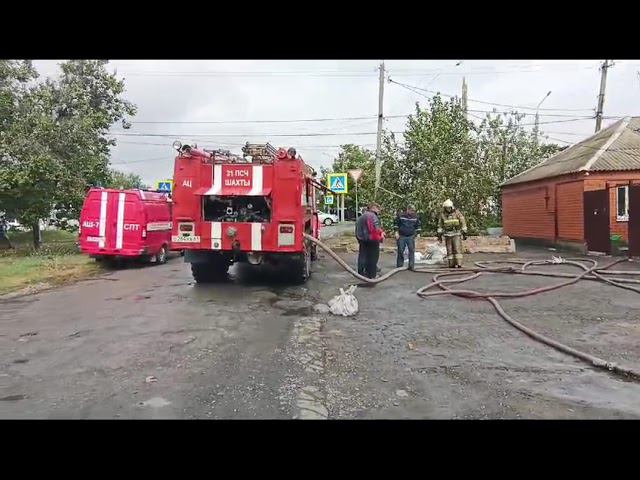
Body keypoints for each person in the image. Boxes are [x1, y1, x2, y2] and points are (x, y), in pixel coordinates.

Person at [355, 202, 385, 279]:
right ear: (374, 208)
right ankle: (371, 275)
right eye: (378, 209)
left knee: (363, 256)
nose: (379, 211)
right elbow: (374, 230)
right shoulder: (372, 216)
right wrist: (380, 237)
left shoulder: (361, 217)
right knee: (372, 258)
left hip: (362, 240)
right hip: (372, 240)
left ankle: (361, 274)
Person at [437, 199, 467, 268]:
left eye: (449, 207)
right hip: (447, 234)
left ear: (452, 207)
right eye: (446, 208)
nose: (448, 209)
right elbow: (440, 225)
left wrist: (464, 232)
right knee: (449, 250)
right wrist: (439, 235)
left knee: (457, 249)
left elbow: (463, 221)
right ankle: (451, 264)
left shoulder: (457, 213)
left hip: (456, 233)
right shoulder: (442, 215)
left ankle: (459, 263)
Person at [394, 205, 421, 270]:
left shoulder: (415, 217)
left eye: (413, 211)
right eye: (411, 210)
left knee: (411, 250)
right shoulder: (401, 216)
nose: (412, 212)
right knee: (400, 250)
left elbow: (418, 225)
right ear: (408, 209)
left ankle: (411, 266)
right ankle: (399, 265)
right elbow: (396, 224)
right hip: (402, 235)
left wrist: (418, 234)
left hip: (411, 235)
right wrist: (396, 232)